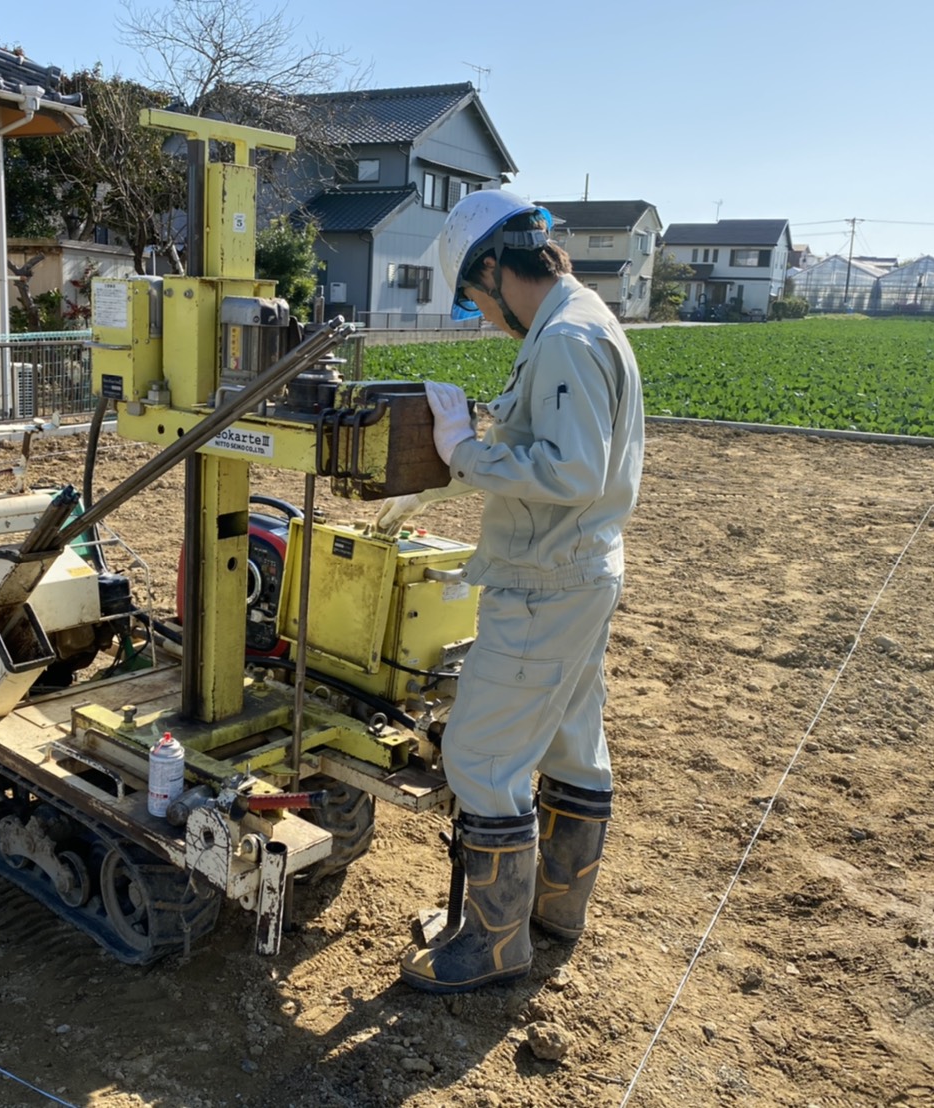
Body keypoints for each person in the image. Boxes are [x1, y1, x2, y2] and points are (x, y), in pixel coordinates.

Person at [380, 189, 645, 994]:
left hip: (544, 581)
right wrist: (489, 433)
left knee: (480, 757)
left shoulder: (563, 337)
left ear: (494, 267)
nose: (480, 313)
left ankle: (492, 945)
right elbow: (561, 447)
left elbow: (568, 471)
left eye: (472, 295)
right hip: (582, 568)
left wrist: (463, 451)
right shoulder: (585, 316)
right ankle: (551, 913)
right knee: (570, 746)